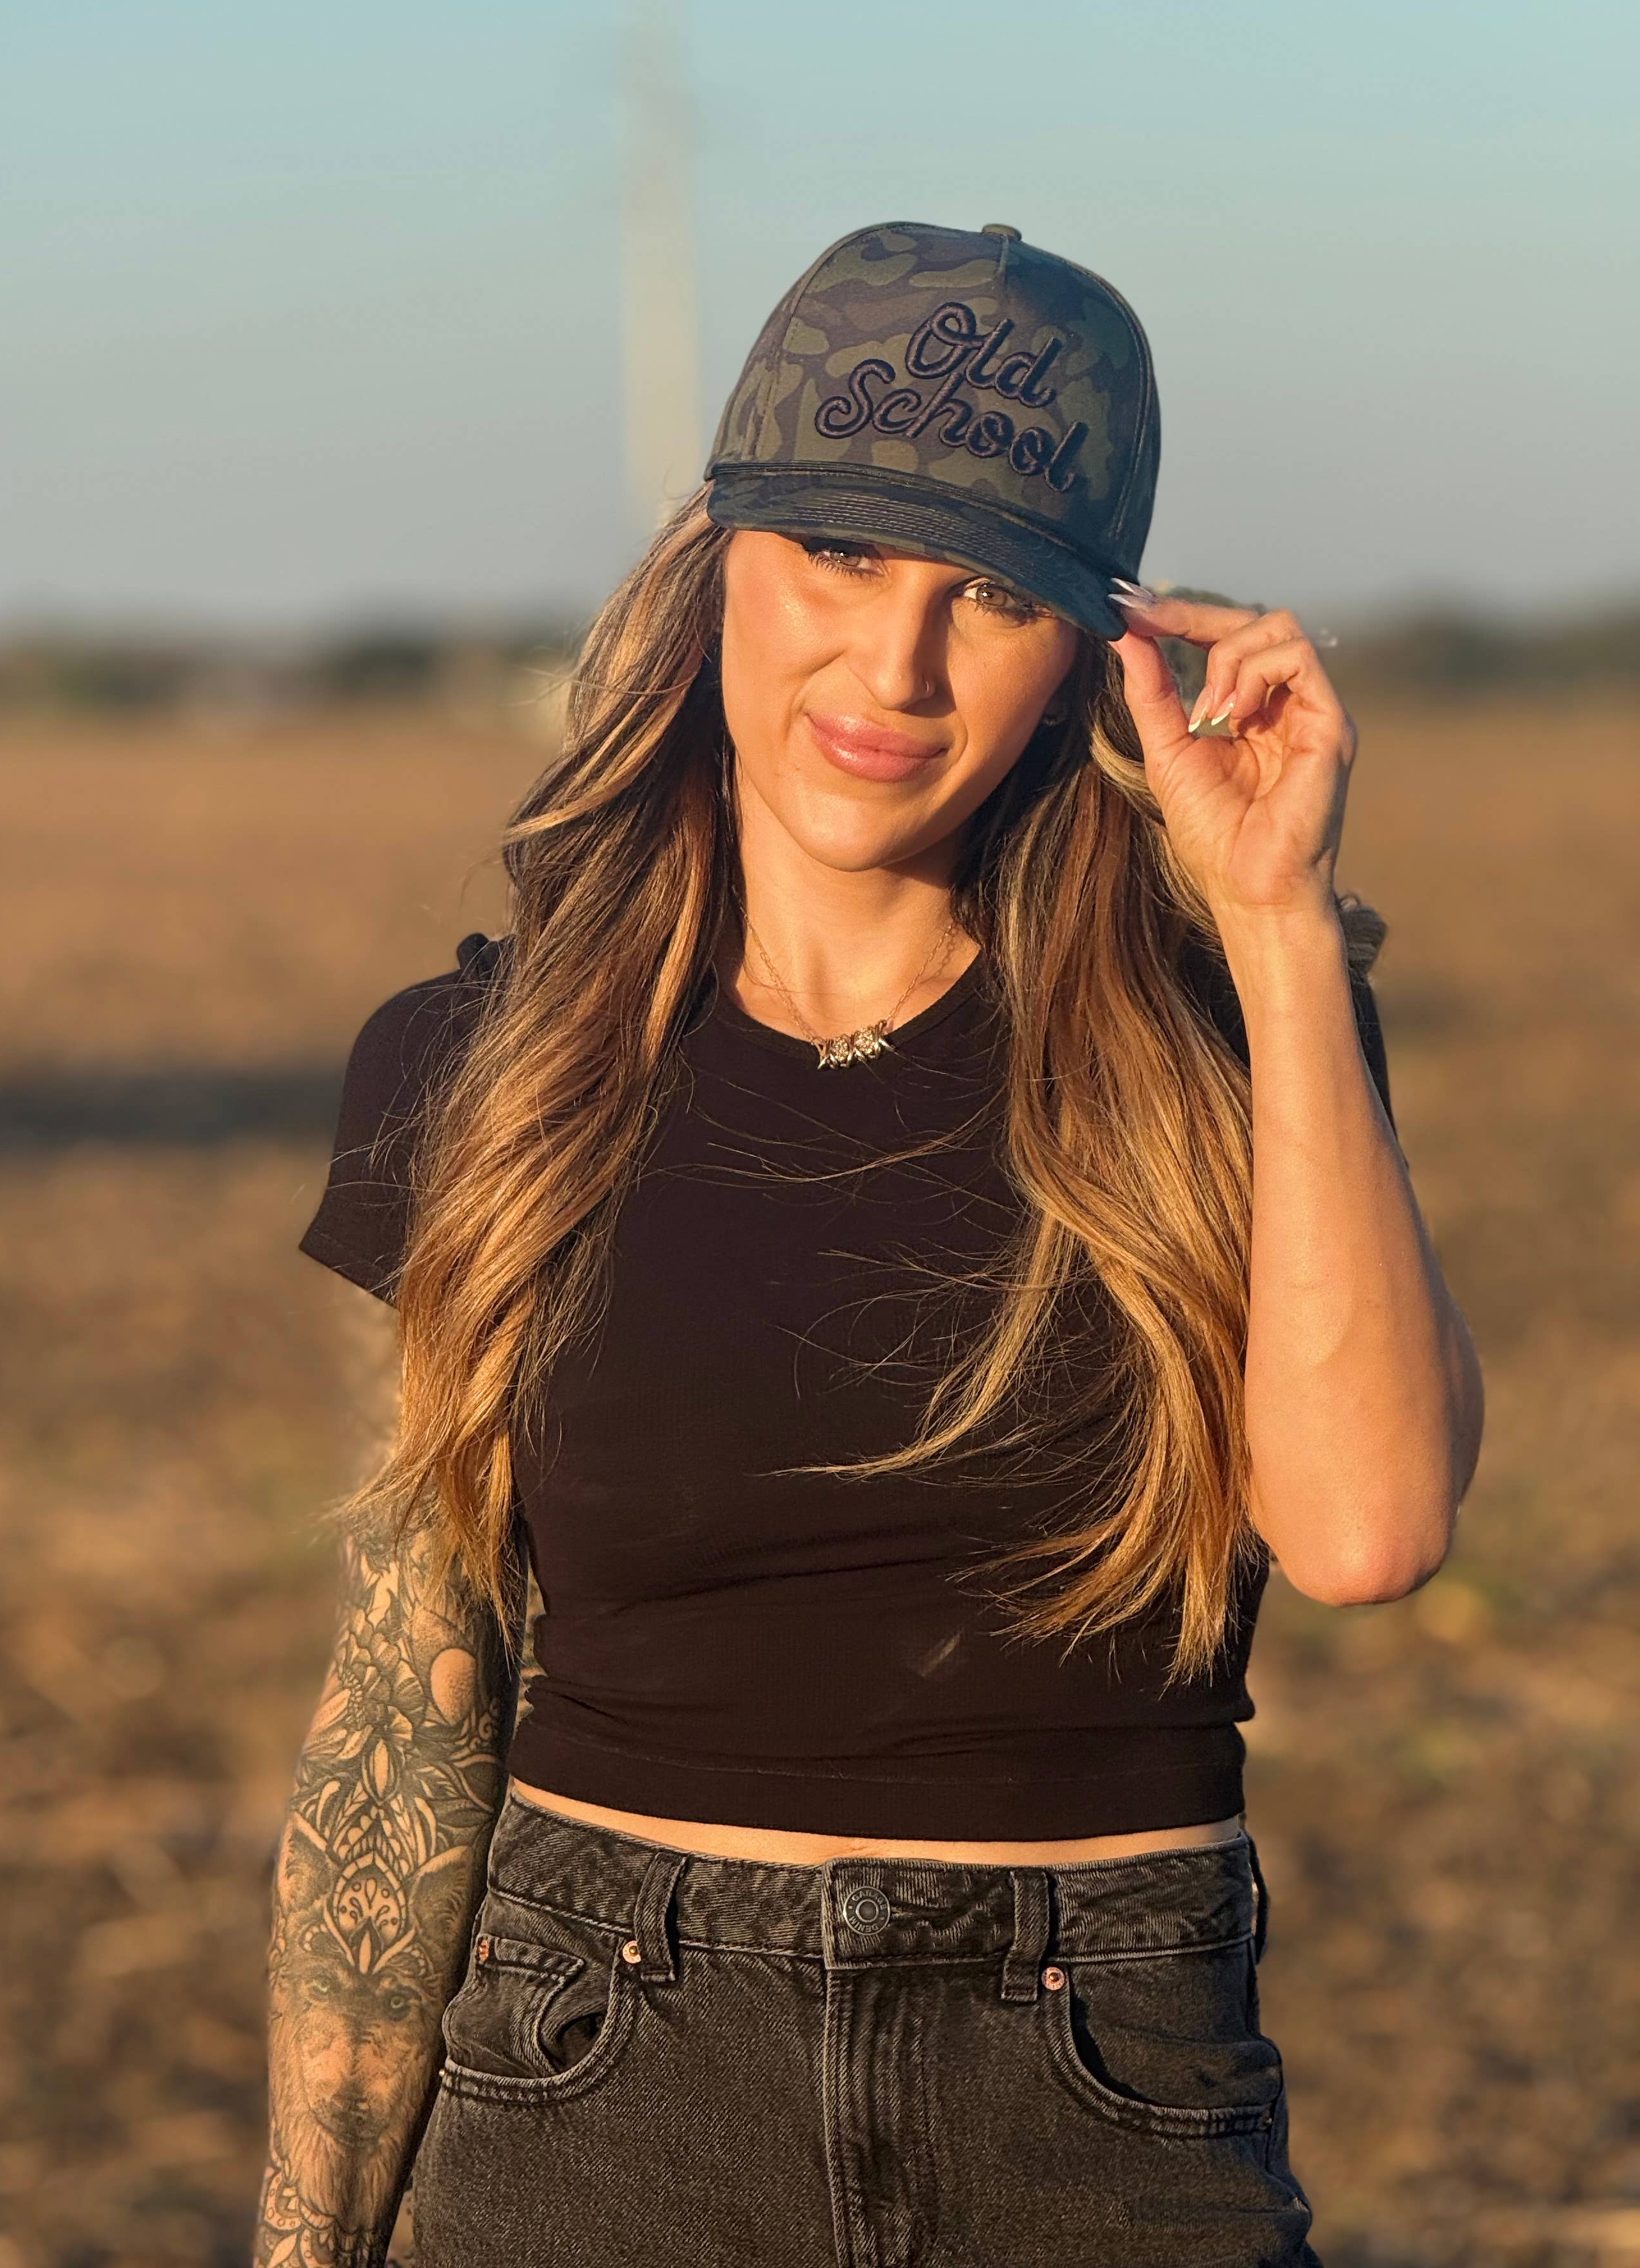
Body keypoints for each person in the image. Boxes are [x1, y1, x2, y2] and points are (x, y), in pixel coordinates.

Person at [251, 219, 1482, 2268]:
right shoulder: (480, 1073)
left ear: (1096, 646)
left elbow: (1369, 1531)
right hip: (594, 2086)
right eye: (838, 556)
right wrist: (309, 2240)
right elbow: (407, 1711)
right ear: (714, 558)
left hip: (1098, 2096)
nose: (895, 672)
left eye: (989, 595)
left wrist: (1276, 926)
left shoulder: (1230, 1041)